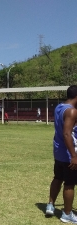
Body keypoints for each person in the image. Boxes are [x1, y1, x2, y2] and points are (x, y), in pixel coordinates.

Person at [45, 85, 77, 223]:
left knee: (58, 177)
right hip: (68, 152)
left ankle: (50, 205)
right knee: (69, 183)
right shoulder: (71, 111)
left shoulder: (59, 107)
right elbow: (66, 133)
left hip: (59, 151)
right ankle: (67, 213)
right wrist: (74, 155)